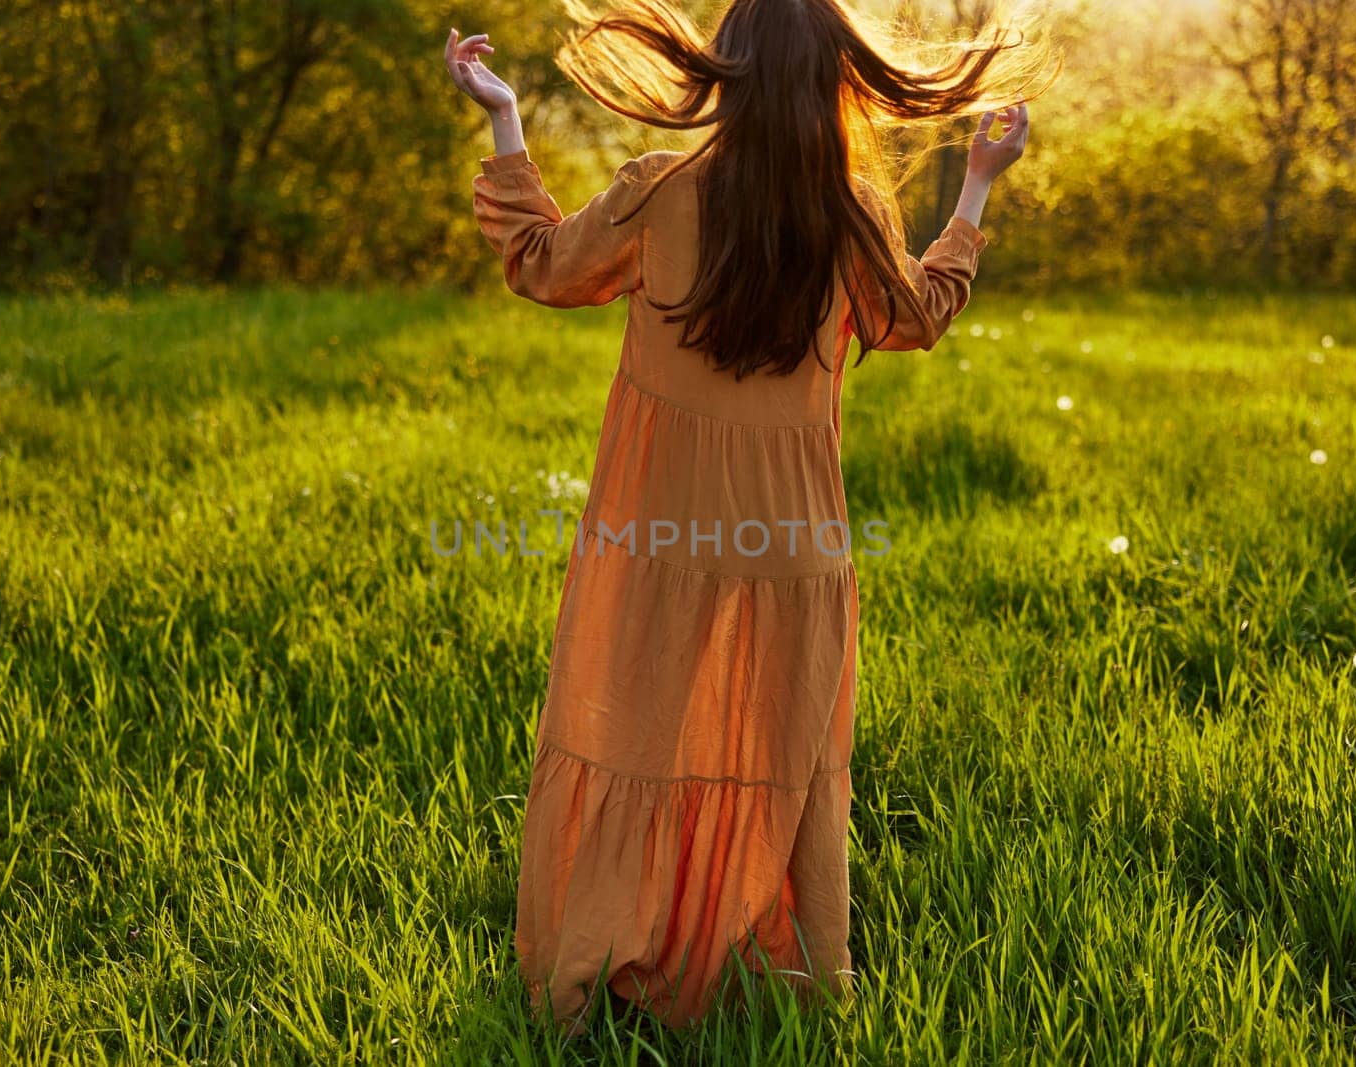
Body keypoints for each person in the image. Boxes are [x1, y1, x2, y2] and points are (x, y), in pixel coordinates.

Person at [444, 0, 1050, 1033]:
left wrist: (503, 117)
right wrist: (977, 191)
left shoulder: (660, 190)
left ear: (724, 71)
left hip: (655, 531)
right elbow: (915, 317)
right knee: (772, 760)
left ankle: (610, 964)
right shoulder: (851, 210)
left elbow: (541, 264)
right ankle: (755, 974)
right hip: (794, 546)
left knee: (634, 739)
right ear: (836, 84)